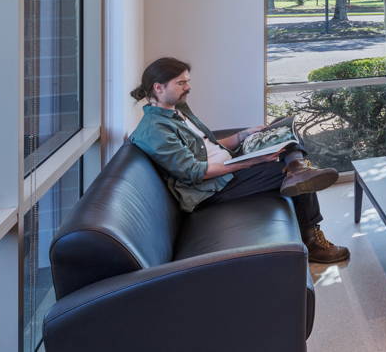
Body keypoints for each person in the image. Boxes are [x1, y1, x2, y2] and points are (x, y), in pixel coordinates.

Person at [129, 57, 350, 263]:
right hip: (213, 188)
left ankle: (297, 168)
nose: (189, 87)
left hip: (229, 165)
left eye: (188, 81)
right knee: (289, 174)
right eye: (181, 83)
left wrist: (242, 136)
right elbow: (196, 171)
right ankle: (313, 243)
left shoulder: (177, 110)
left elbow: (208, 146)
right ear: (158, 87)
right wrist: (251, 162)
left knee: (284, 128)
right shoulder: (154, 129)